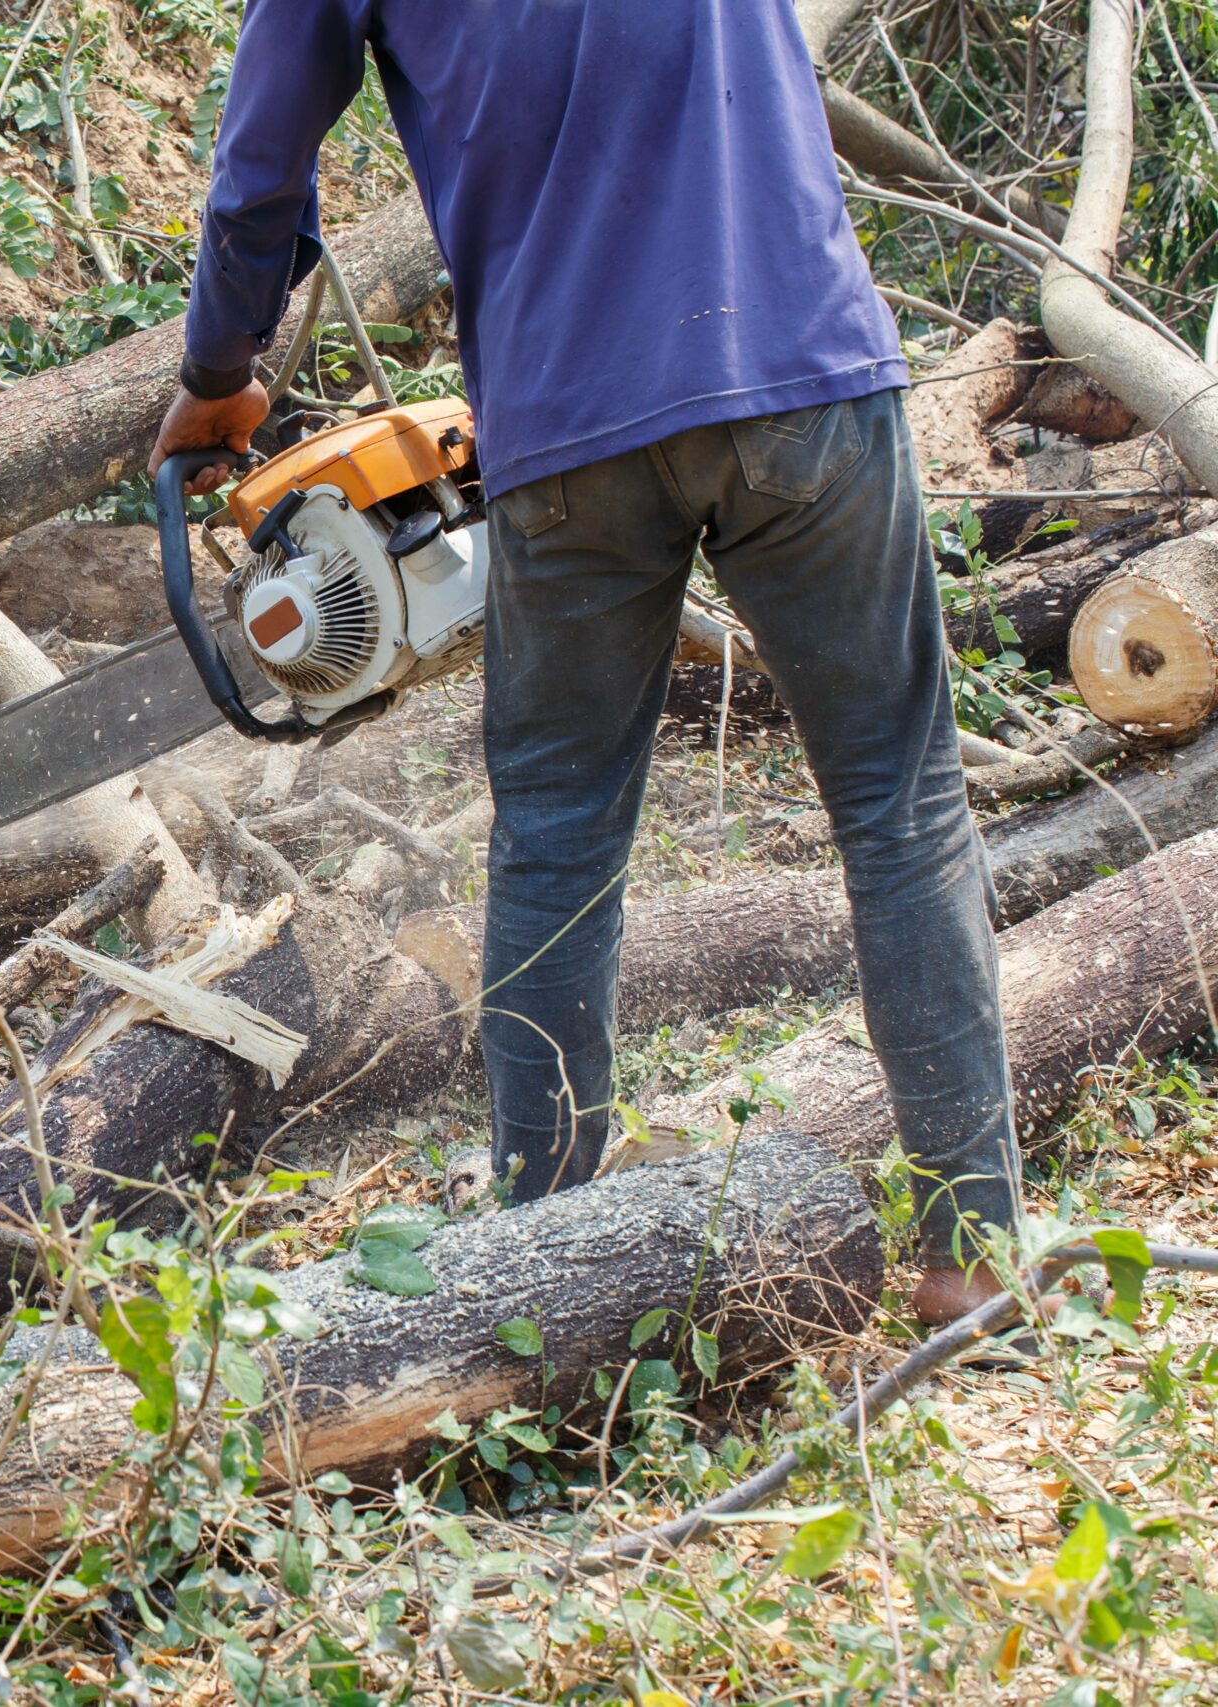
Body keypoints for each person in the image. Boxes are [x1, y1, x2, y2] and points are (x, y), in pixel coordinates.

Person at [148, 0, 1022, 1324]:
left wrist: (221, 372)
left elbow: (260, 172)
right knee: (903, 810)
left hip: (568, 425)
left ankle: (544, 1275)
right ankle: (975, 1258)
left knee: (557, 841)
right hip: (802, 368)